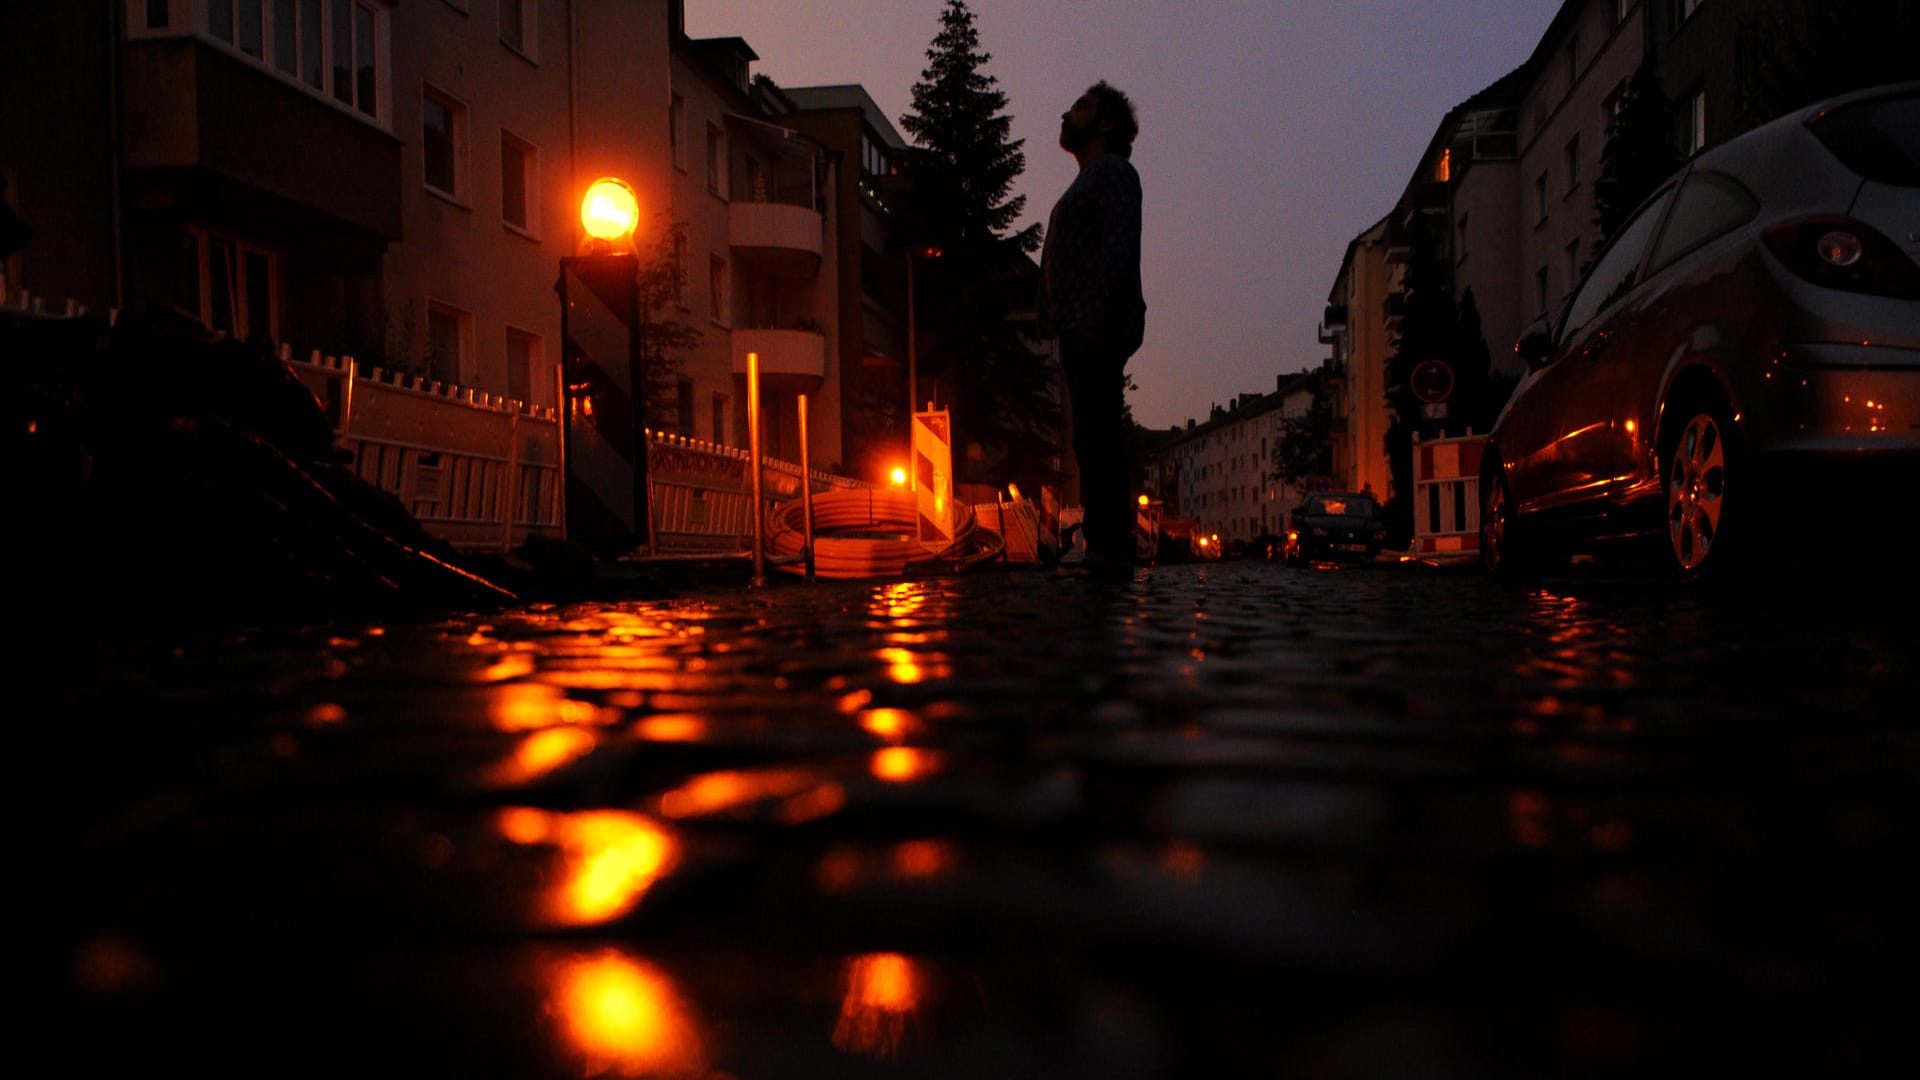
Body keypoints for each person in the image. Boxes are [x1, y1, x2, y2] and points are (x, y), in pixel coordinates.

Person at [1041, 81, 1145, 576]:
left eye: (1080, 106)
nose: (1067, 112)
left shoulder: (1113, 173)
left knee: (1098, 434)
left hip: (1094, 326)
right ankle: (1107, 544)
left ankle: (1111, 546)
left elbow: (1118, 251)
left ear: (1106, 124)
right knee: (1089, 435)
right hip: (1080, 325)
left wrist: (1097, 321)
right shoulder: (1092, 178)